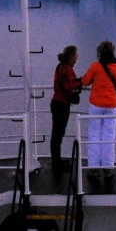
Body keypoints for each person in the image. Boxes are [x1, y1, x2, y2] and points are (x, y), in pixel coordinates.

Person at [79, 40, 116, 180]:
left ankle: (94, 168)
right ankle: (108, 168)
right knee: (109, 136)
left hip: (96, 104)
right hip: (112, 105)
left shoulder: (96, 67)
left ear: (99, 52)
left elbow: (85, 81)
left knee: (94, 135)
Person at [50, 45, 83, 175]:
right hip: (62, 104)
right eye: (75, 57)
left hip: (56, 102)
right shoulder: (68, 70)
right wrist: (80, 82)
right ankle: (56, 164)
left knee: (57, 134)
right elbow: (70, 85)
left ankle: (56, 161)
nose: (76, 59)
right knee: (58, 134)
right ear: (71, 57)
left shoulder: (60, 67)